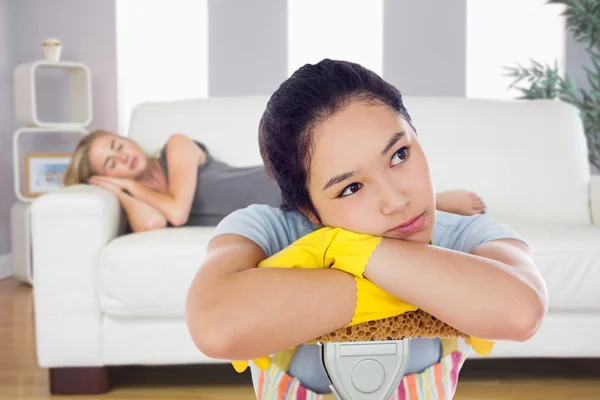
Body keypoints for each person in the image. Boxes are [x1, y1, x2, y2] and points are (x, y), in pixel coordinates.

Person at [184, 59, 548, 397]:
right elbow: (216, 325)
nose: (396, 201)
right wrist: (446, 288)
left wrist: (349, 250)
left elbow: (521, 312)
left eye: (399, 155)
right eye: (351, 188)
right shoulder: (267, 232)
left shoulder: (467, 234)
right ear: (309, 209)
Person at [63, 130, 487, 233]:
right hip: (265, 218)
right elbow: (154, 225)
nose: (123, 155)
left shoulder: (175, 146)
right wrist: (120, 190)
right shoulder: (140, 194)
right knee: (354, 227)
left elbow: (175, 212)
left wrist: (130, 186)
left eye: (117, 144)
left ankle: (435, 202)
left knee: (355, 202)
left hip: (271, 187)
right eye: (111, 163)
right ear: (105, 176)